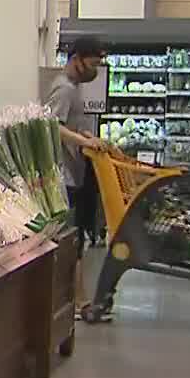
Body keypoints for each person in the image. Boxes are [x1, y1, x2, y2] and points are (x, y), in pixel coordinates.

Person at [45, 36, 111, 316]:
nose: (95, 70)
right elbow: (51, 127)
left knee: (76, 239)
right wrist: (83, 142)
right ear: (77, 59)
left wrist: (85, 136)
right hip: (64, 179)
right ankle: (79, 303)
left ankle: (80, 301)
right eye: (93, 63)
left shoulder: (74, 88)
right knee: (73, 241)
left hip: (74, 175)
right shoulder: (63, 90)